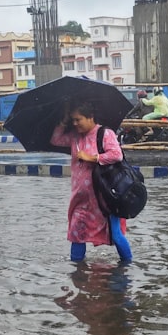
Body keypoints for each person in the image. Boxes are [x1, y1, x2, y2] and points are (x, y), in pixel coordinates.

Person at [50, 100, 133, 263]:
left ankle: (127, 265)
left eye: (78, 119)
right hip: (81, 198)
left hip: (104, 197)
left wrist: (92, 158)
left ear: (90, 117)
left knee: (115, 234)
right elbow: (56, 140)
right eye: (73, 120)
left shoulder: (104, 133)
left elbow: (116, 155)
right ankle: (77, 269)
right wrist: (64, 119)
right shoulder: (74, 137)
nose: (75, 124)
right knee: (76, 234)